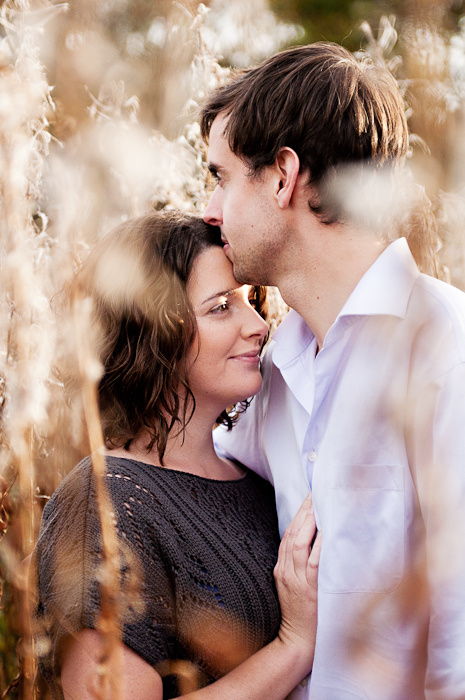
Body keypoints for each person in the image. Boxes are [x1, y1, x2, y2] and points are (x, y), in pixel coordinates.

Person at [201, 43, 465, 700]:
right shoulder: (268, 375)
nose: (211, 210)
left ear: (282, 176)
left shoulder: (446, 352)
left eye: (221, 176)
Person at [31, 212, 321, 700]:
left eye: (250, 301)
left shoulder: (255, 478)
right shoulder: (102, 504)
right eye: (221, 308)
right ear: (153, 335)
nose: (258, 325)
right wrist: (294, 646)